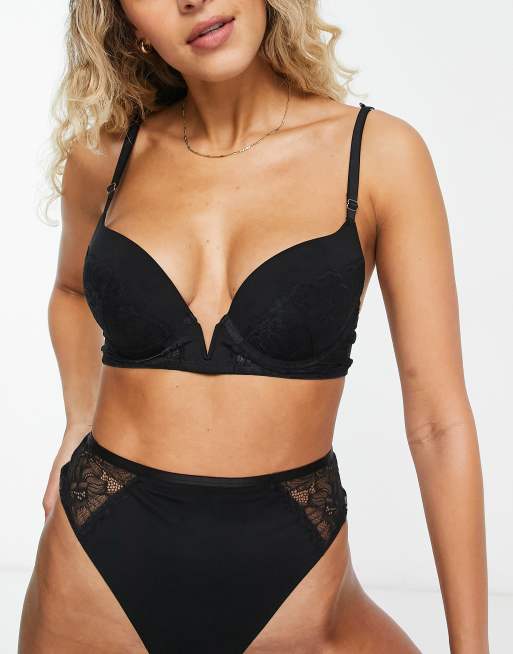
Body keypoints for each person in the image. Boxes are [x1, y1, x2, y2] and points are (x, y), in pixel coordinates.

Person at [18, 1, 488, 653]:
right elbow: (71, 290)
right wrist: (77, 420)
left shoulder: (377, 155)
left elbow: (438, 423)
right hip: (93, 575)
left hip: (296, 587)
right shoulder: (105, 157)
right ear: (125, 21)